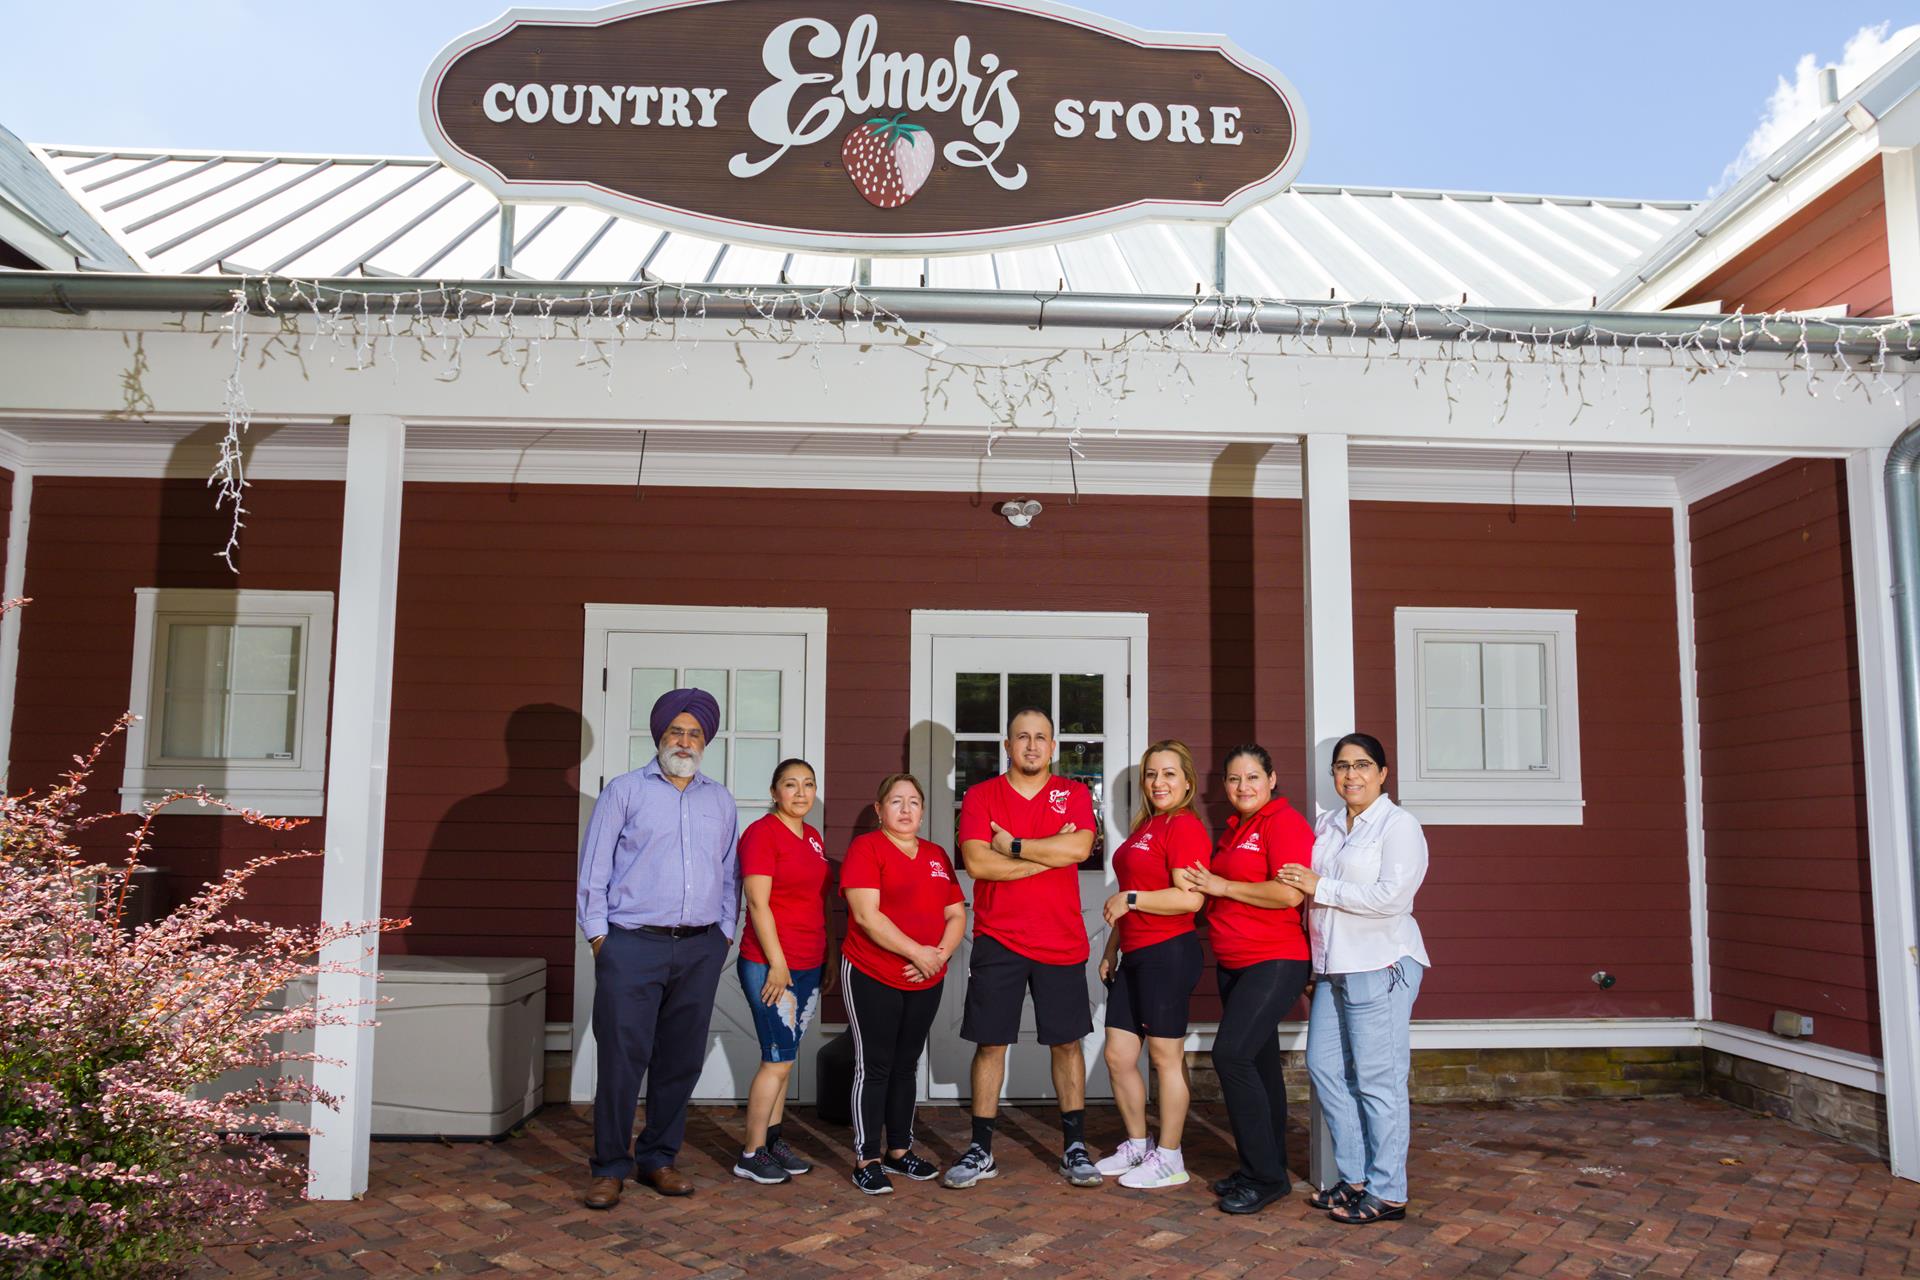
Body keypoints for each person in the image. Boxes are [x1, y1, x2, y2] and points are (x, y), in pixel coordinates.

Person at [576, 687, 738, 1209]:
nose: (685, 741)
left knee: (679, 1061)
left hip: (699, 948)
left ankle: (658, 1159)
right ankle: (609, 1167)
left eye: (694, 733)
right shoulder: (624, 792)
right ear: (660, 736)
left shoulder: (720, 799)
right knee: (623, 1060)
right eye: (676, 731)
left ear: (705, 741)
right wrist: (602, 938)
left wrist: (724, 933)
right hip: (632, 945)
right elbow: (593, 873)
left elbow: (729, 874)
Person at [944, 707, 1100, 1190]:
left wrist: (1012, 847)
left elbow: (1079, 851)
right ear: (1007, 746)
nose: (1032, 746)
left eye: (1041, 738)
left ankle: (1074, 1145)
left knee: (1066, 1042)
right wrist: (1045, 854)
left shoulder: (1073, 794)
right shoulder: (981, 795)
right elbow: (976, 863)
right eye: (1022, 737)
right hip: (999, 939)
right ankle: (980, 1149)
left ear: (1053, 747)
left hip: (1060, 938)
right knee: (992, 1042)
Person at [1279, 732, 1431, 1226]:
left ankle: (1389, 1190)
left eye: (1362, 765)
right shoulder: (1326, 824)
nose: (1351, 775)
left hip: (1380, 963)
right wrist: (1312, 961)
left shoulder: (1398, 826)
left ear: (1383, 773)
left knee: (1377, 1081)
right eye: (1342, 766)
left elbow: (1392, 897)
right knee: (1323, 1068)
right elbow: (1309, 899)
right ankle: (1358, 1176)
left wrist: (1321, 884)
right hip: (1332, 968)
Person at [1175, 743, 1313, 1215]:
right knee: (1260, 1064)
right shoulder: (1235, 829)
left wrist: (1222, 886)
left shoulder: (1284, 824)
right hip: (1235, 962)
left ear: (1272, 780)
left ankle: (1265, 1177)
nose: (1243, 787)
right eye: (1234, 780)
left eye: (1252, 777)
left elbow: (1288, 894)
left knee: (1230, 1055)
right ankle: (1266, 1165)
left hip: (1274, 960)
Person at [840, 773, 968, 1195]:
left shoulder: (935, 854)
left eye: (914, 801)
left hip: (926, 977)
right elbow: (866, 915)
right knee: (874, 1065)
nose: (906, 809)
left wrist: (938, 956)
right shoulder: (867, 848)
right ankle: (867, 1157)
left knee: (906, 1064)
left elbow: (955, 914)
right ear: (879, 810)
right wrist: (917, 952)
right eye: (896, 801)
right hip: (873, 972)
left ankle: (899, 1150)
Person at [1094, 740, 1210, 1190]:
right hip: (1136, 954)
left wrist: (1132, 898)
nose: (1158, 783)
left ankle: (1170, 1156)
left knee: (1165, 1057)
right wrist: (1111, 950)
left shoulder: (1183, 827)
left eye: (1168, 774)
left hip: (1169, 953)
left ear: (1186, 781)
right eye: (1151, 775)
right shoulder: (1149, 826)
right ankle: (1138, 1145)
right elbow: (1129, 903)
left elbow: (1190, 898)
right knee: (1119, 1055)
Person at [731, 758, 833, 1186]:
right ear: (774, 792)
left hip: (809, 964)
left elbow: (814, 901)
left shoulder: (811, 837)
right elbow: (758, 904)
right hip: (771, 965)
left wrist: (824, 957)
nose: (800, 792)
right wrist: (777, 963)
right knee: (776, 1058)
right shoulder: (761, 834)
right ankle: (751, 1153)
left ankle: (772, 1142)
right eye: (790, 785)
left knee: (785, 1060)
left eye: (808, 784)